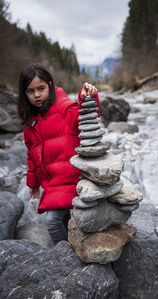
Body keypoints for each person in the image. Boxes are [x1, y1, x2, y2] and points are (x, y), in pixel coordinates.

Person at [17, 64, 100, 244]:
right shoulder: (29, 121)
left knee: (52, 222)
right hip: (53, 181)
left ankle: (66, 258)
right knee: (63, 219)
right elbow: (31, 153)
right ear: (24, 94)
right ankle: (71, 248)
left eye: (41, 88)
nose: (37, 95)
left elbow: (85, 120)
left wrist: (86, 98)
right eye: (31, 91)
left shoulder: (62, 106)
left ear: (51, 85)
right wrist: (33, 181)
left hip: (72, 177)